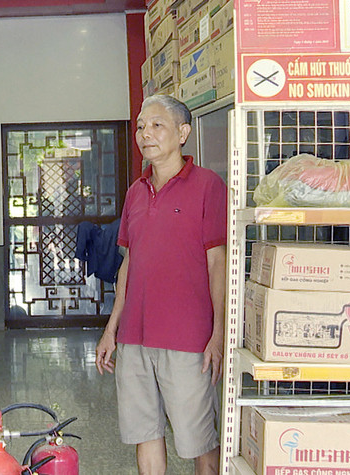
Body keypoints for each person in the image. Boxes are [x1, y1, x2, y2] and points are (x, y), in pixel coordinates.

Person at [95, 94, 226, 475]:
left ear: (183, 132)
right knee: (145, 434)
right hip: (135, 338)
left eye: (156, 125)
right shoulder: (136, 192)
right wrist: (111, 330)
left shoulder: (208, 186)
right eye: (140, 126)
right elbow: (129, 265)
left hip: (188, 340)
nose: (144, 134)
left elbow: (217, 262)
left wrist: (218, 332)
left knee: (200, 440)